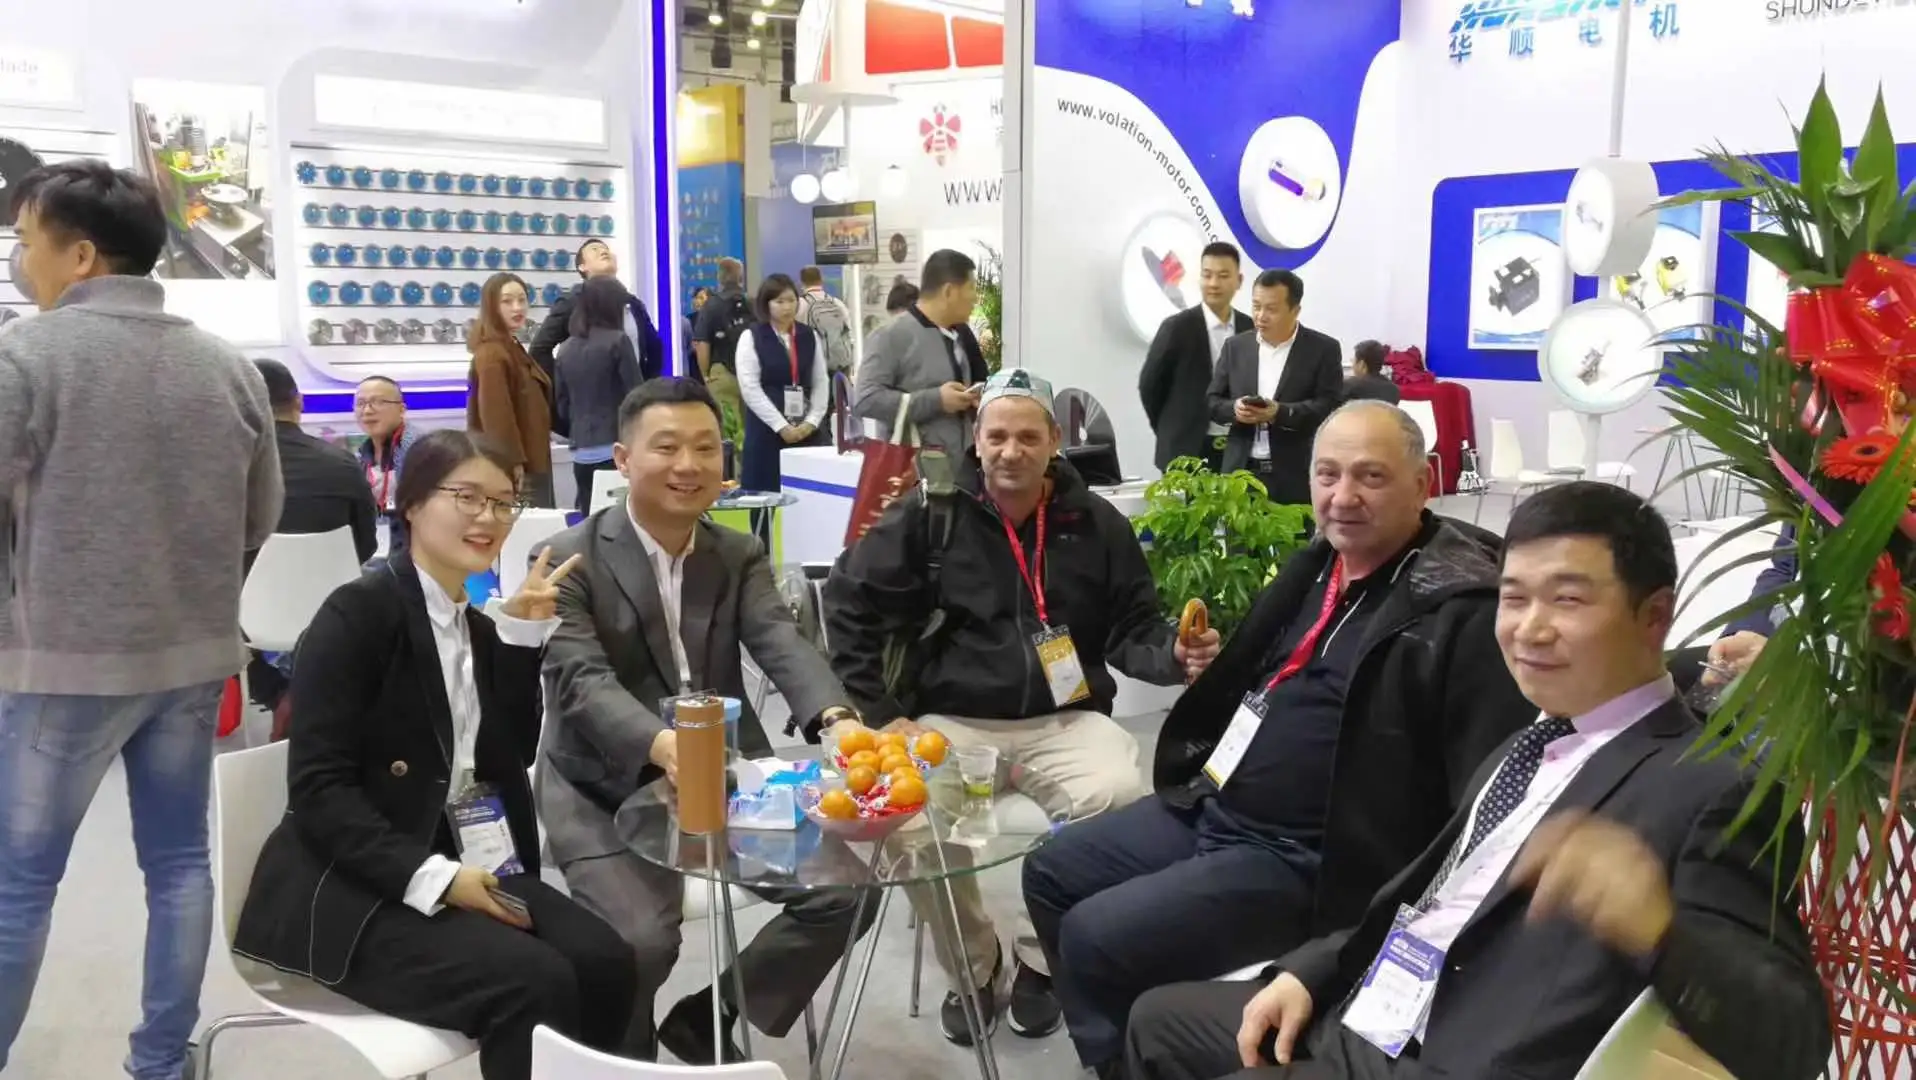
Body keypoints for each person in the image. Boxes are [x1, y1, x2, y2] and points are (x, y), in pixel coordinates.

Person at [1123, 481, 1830, 1080]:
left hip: (1452, 1056)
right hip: (1374, 1010)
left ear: (1655, 616)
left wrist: (1659, 928)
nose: (1530, 630)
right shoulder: (1528, 742)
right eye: (1514, 599)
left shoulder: (1710, 787)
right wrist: (1313, 973)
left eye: (1568, 601)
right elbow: (1425, 899)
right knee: (1157, 1022)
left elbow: (1792, 1043)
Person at [1022, 400, 1531, 1077]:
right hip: (1215, 804)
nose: (1342, 496)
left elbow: (1475, 804)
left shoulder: (1460, 612)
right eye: (1327, 474)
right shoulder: (1320, 566)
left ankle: (1138, 1046)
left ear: (1422, 484)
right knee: (1051, 871)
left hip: (1304, 857)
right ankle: (1121, 1052)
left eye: (1371, 476)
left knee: (1096, 935)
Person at [824, 368, 1223, 1046]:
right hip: (948, 720)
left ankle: (1042, 962)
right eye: (998, 436)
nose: (1011, 451)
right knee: (906, 818)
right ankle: (975, 967)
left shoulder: (1095, 524)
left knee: (1120, 794)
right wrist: (881, 710)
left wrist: (1175, 657)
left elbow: (1134, 628)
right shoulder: (931, 515)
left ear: (1055, 441)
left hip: (1067, 718)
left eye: (1028, 437)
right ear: (976, 440)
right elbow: (845, 601)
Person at [231, 431, 639, 1080]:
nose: (488, 518)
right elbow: (319, 790)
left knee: (607, 961)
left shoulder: (474, 625)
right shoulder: (357, 614)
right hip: (352, 883)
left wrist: (519, 637)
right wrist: (435, 878)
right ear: (413, 504)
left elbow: (508, 754)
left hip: (465, 854)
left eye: (503, 502)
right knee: (532, 982)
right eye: (467, 497)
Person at [0, 159, 284, 1080]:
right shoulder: (228, 366)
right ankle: (159, 1063)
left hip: (63, 665)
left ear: (80, 255)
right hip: (193, 661)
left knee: (17, 887)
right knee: (179, 866)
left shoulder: (25, 356)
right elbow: (262, 515)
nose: (19, 260)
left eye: (25, 241)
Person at [539, 378, 873, 1064]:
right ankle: (625, 1066)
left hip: (726, 775)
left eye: (705, 448)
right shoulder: (569, 558)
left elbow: (779, 639)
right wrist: (665, 745)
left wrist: (836, 718)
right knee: (638, 943)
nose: (688, 466)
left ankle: (710, 1018)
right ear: (623, 459)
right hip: (604, 782)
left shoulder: (736, 552)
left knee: (847, 895)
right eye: (666, 448)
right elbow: (581, 681)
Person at [1208, 269, 1345, 504]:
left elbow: (1330, 407)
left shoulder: (1322, 350)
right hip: (1241, 473)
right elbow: (1212, 401)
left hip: (1296, 474)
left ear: (1295, 310)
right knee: (1238, 530)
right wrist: (1235, 409)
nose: (1261, 316)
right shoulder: (1236, 347)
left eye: (1271, 309)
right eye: (1256, 306)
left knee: (1296, 530)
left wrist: (1280, 413)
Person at [853, 248, 988, 455]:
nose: (975, 298)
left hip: (961, 464)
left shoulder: (960, 334)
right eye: (971, 288)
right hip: (911, 468)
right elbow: (865, 399)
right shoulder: (891, 335)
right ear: (949, 292)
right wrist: (937, 400)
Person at [254, 359, 379, 566]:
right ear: (299, 402)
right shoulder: (344, 465)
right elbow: (366, 546)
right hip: (334, 584)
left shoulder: (226, 470)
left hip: (248, 586)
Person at [1139, 241, 1252, 472]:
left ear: (1239, 281)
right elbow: (1150, 386)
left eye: (1223, 276)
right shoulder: (1176, 328)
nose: (1213, 283)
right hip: (1185, 451)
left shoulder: (1250, 329)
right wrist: (1170, 429)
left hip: (1238, 449)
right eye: (1207, 275)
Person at [556, 275, 647, 516]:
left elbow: (562, 404)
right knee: (623, 521)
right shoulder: (618, 341)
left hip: (581, 451)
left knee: (590, 521)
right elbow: (637, 396)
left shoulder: (565, 349)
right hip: (616, 449)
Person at [734, 272, 830, 497]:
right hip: (767, 430)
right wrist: (781, 426)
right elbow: (750, 388)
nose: (787, 307)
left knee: (808, 494)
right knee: (766, 494)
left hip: (806, 429)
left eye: (791, 300)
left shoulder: (808, 335)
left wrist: (811, 422)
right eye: (779, 302)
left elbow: (820, 380)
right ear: (766, 304)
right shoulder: (752, 336)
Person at [468, 272, 556, 508]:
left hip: (533, 458)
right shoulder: (493, 353)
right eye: (507, 301)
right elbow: (496, 415)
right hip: (517, 468)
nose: (517, 308)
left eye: (522, 299)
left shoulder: (511, 346)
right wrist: (511, 462)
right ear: (491, 306)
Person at [529, 238, 665, 387]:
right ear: (582, 267)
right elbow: (540, 348)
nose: (603, 251)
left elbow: (654, 347)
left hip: (633, 394)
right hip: (590, 395)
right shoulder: (571, 303)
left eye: (606, 249)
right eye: (594, 249)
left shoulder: (633, 304)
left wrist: (648, 386)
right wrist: (563, 385)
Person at [355, 373, 418, 556]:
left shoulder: (420, 449)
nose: (367, 410)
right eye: (360, 403)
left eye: (378, 402)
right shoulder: (361, 455)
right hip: (380, 548)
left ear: (401, 409)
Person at [690, 256, 754, 383]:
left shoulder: (711, 306)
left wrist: (705, 376)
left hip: (722, 375)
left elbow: (702, 343)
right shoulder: (754, 304)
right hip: (752, 373)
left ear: (719, 278)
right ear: (741, 278)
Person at [796, 265, 856, 376]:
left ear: (802, 282)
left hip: (812, 365)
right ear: (821, 280)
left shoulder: (799, 305)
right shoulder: (837, 303)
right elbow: (848, 332)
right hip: (839, 365)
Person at [1341, 341, 1400, 405]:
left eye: (1353, 360)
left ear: (1362, 364)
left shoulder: (1349, 386)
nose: (1352, 364)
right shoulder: (1394, 390)